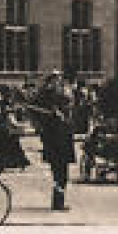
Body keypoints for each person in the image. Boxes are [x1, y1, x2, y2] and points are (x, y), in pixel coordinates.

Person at [29, 72, 77, 211]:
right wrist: (43, 125)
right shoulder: (47, 96)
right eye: (56, 80)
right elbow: (34, 109)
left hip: (63, 138)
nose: (58, 82)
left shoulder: (58, 102)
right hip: (56, 140)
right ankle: (57, 203)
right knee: (59, 172)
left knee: (62, 173)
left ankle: (58, 201)